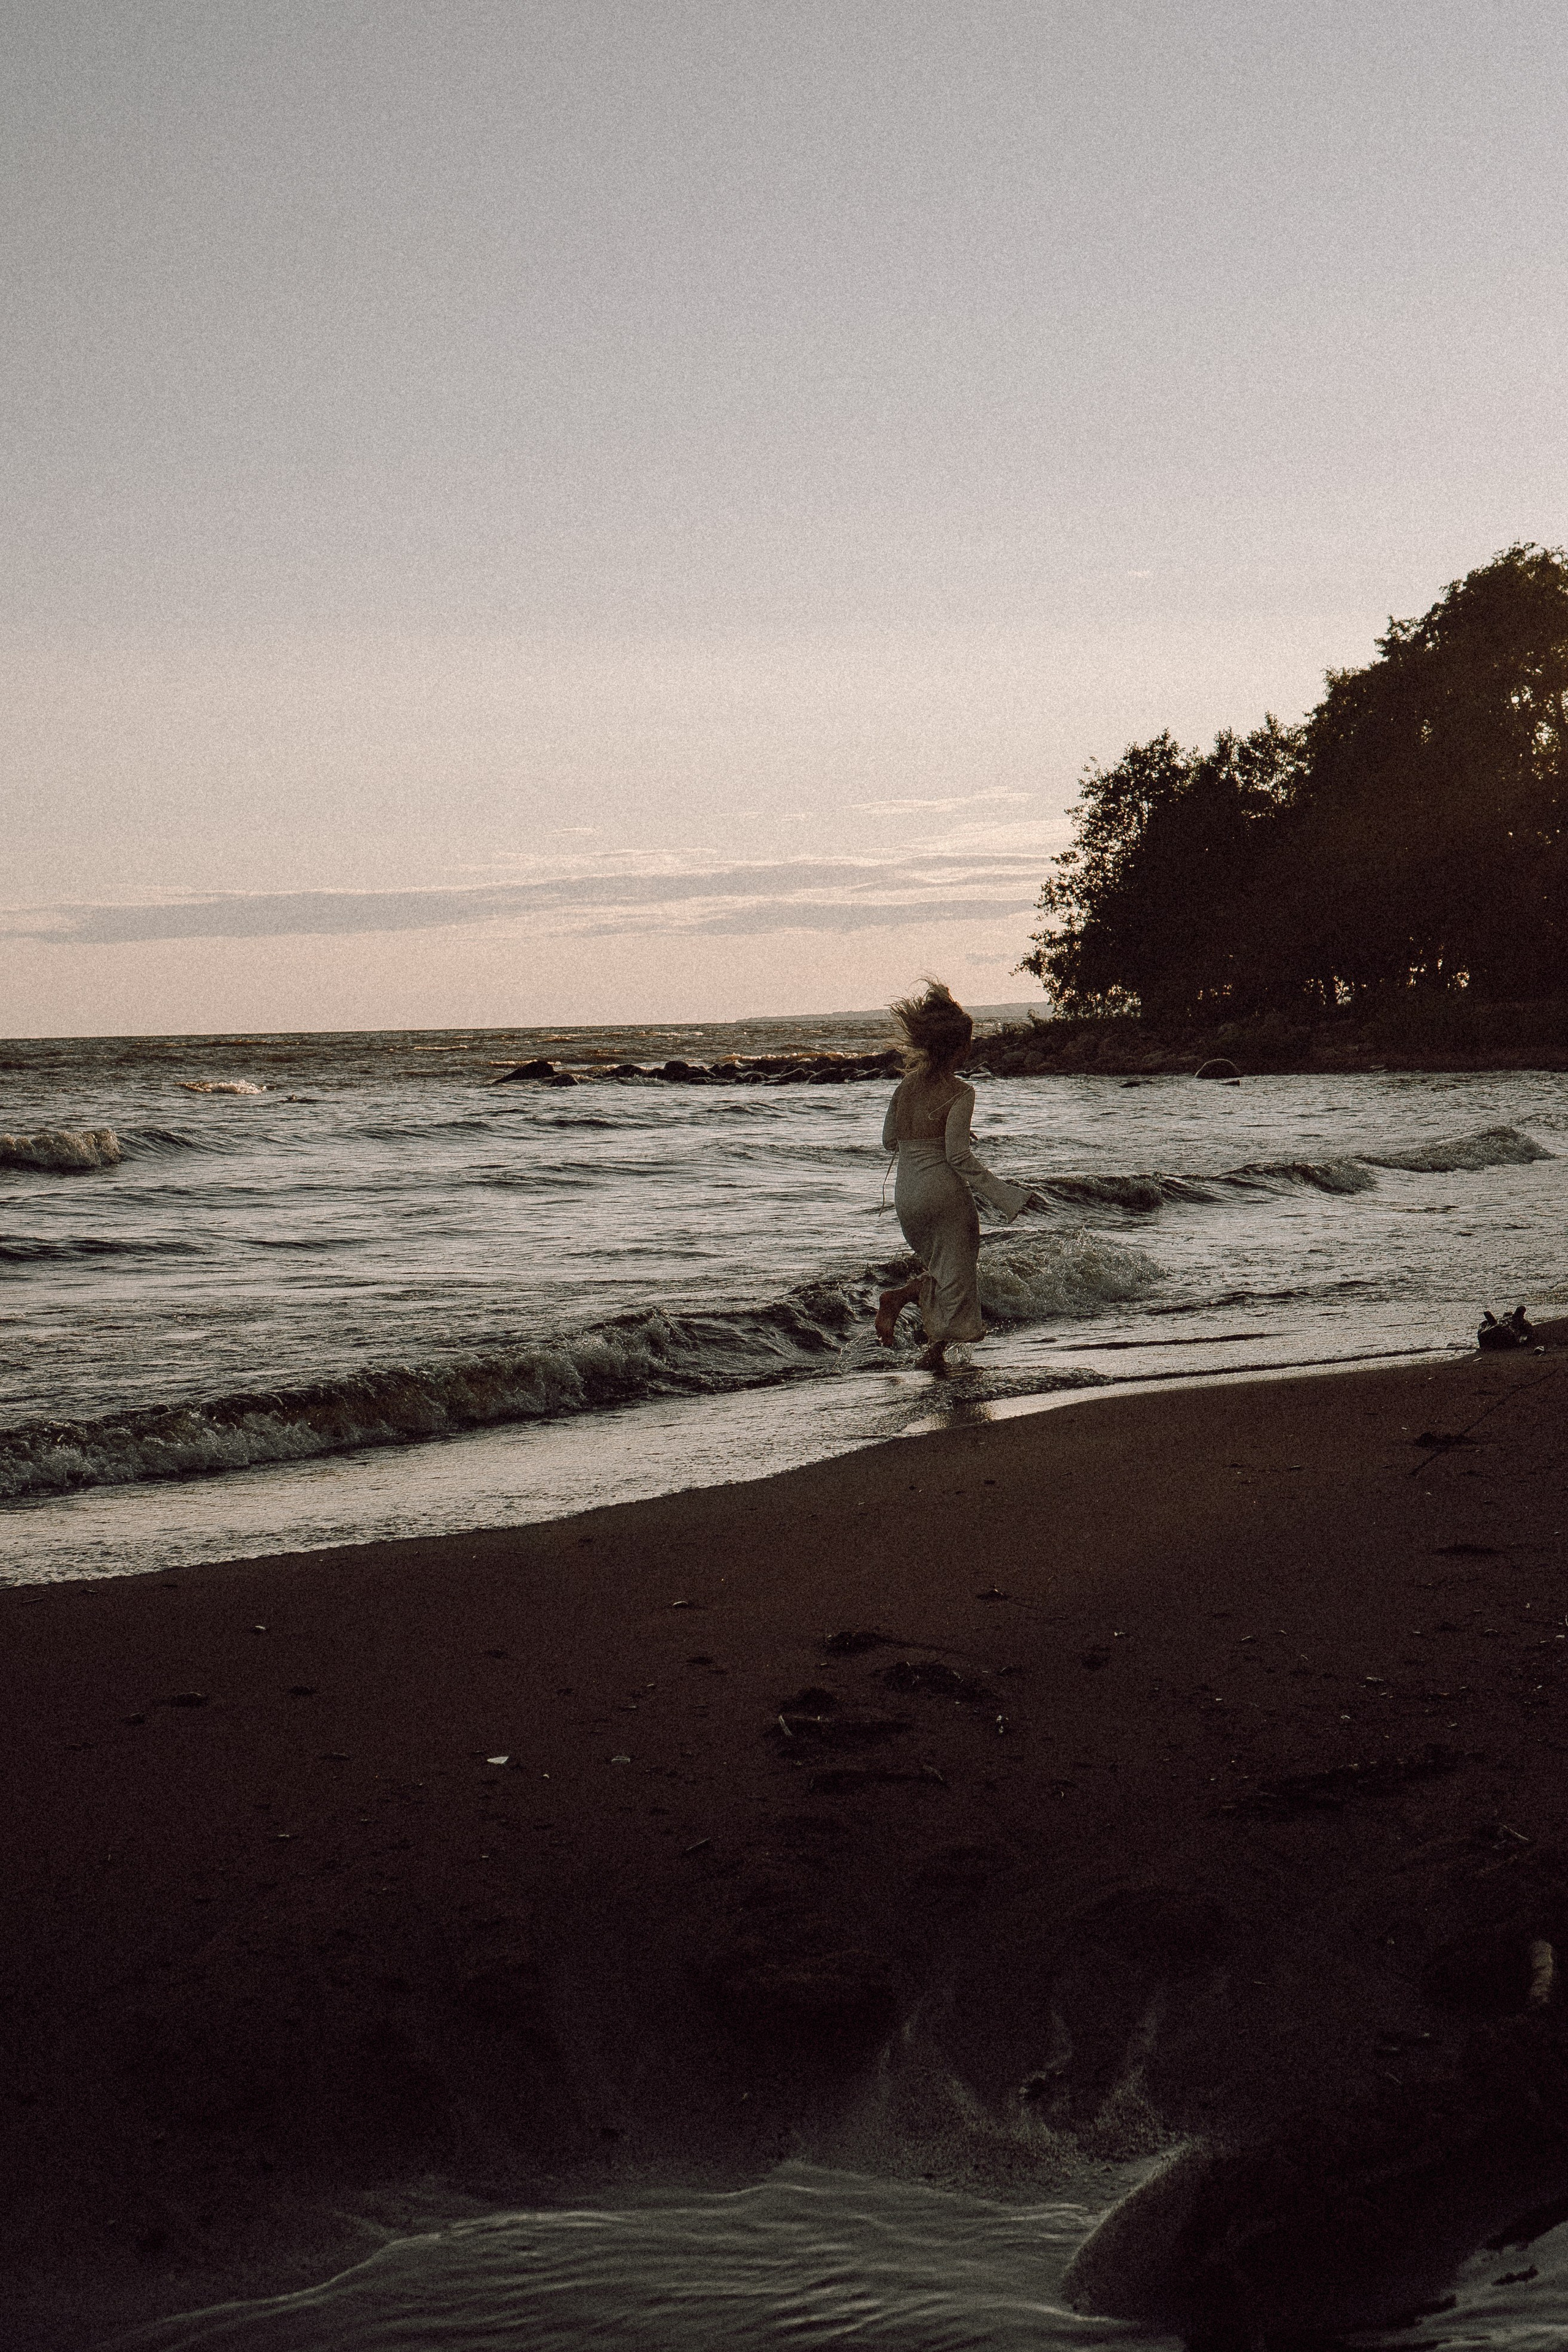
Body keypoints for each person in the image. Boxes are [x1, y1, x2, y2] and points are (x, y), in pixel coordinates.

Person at [875, 979, 1038, 1369]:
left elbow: (888, 1141)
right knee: (958, 1280)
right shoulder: (961, 1091)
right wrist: (1007, 1196)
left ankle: (931, 1350)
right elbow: (959, 1157)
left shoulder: (905, 1086)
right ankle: (907, 1313)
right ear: (960, 1047)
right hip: (944, 1195)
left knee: (943, 1272)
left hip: (907, 1196)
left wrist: (926, 1140)